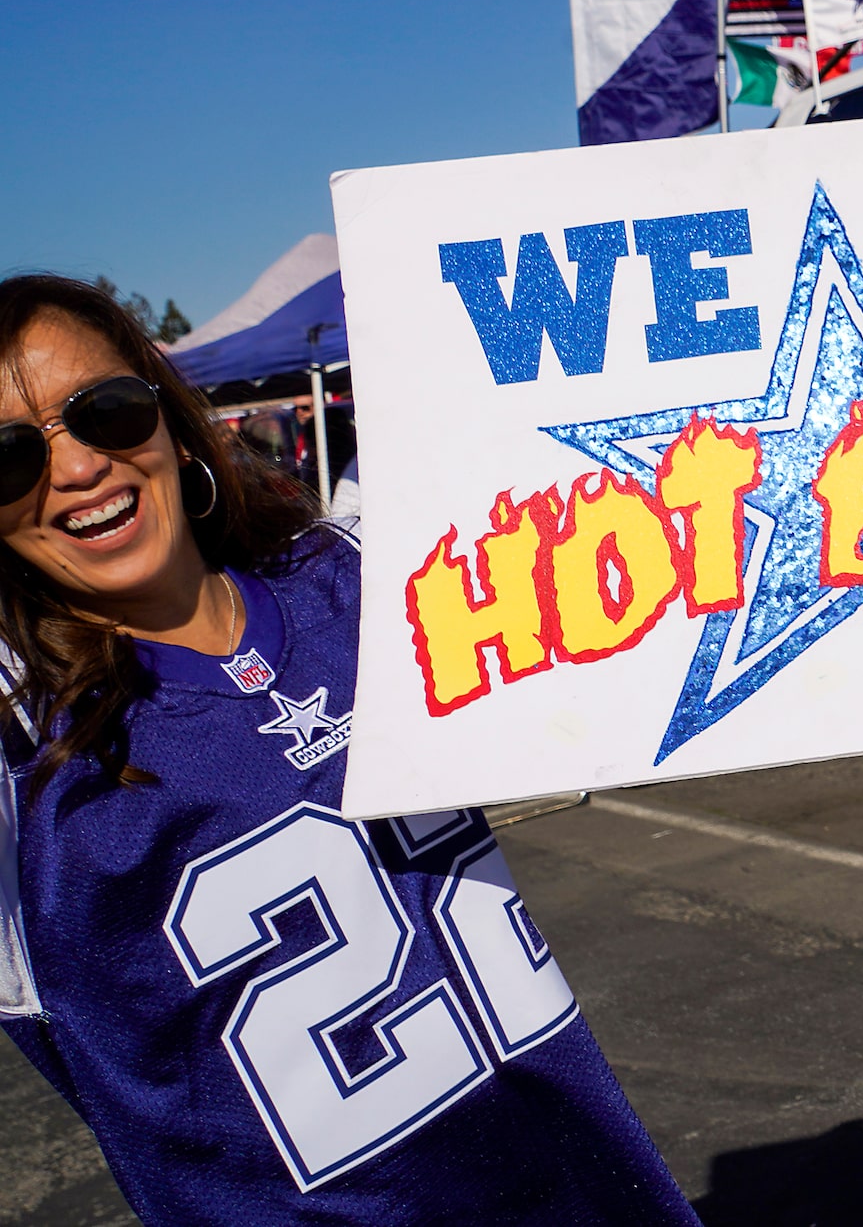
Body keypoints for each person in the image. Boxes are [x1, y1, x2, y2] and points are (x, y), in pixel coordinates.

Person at [0, 275, 698, 1224]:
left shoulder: (363, 575)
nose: (78, 469)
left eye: (106, 411)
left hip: (594, 1195)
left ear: (165, 412)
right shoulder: (23, 765)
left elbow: (599, 368)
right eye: (8, 458)